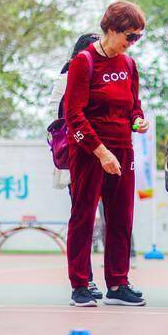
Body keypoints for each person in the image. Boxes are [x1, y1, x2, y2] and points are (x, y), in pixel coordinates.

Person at [65, 1, 149, 307]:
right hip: (89, 150)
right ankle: (80, 283)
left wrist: (137, 120)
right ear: (111, 29)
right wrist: (100, 152)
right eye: (129, 36)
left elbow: (133, 104)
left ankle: (118, 283)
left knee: (121, 217)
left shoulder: (128, 65)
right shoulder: (83, 62)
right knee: (84, 216)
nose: (132, 44)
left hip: (123, 149)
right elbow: (73, 115)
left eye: (138, 38)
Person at [47, 32, 106, 300]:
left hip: (109, 157)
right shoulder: (65, 79)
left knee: (109, 219)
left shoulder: (109, 77)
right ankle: (85, 280)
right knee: (84, 218)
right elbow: (57, 120)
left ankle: (116, 281)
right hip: (79, 156)